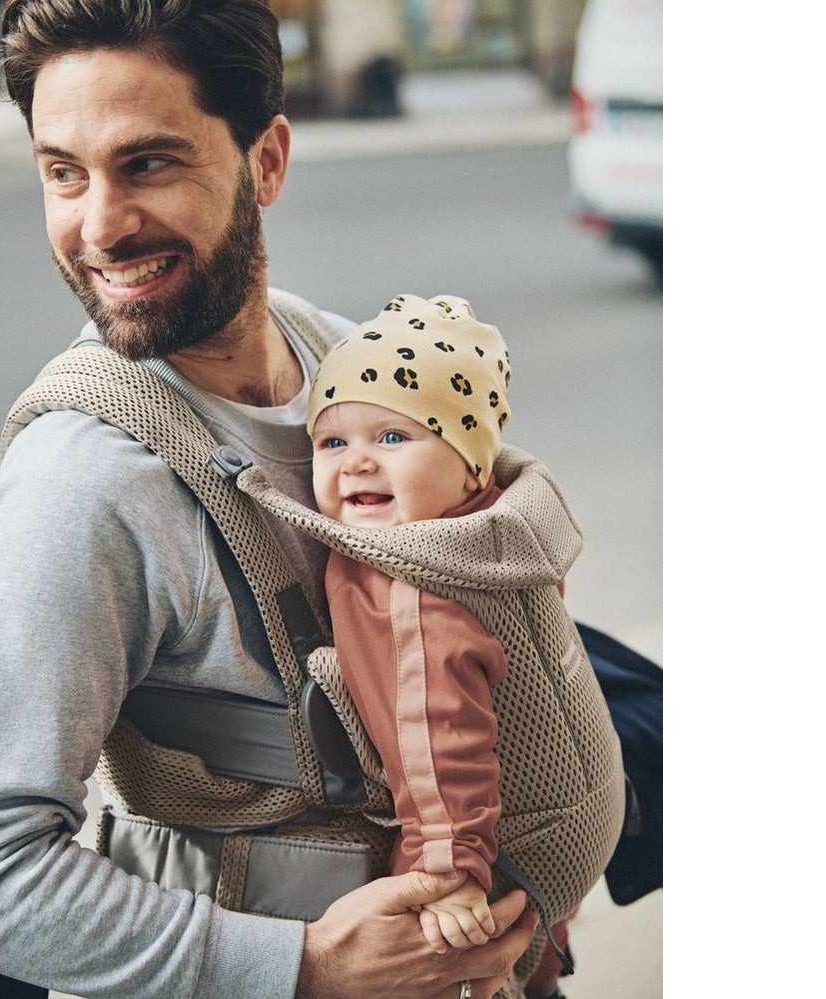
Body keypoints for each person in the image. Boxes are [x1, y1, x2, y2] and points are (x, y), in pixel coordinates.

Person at [0, 2, 539, 998]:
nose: (101, 226)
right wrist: (306, 967)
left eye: (149, 163)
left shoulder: (339, 357)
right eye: (63, 172)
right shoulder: (82, 483)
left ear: (268, 162)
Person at [234, 293, 626, 998]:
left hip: (490, 836)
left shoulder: (416, 589)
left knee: (455, 962)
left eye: (392, 438)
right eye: (332, 442)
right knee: (532, 963)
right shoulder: (497, 529)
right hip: (568, 809)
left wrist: (443, 874)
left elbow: (440, 741)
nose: (355, 463)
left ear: (471, 464)